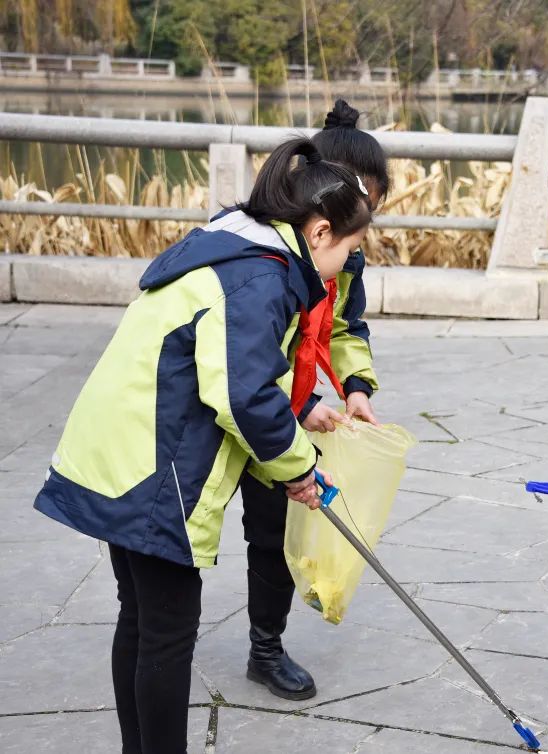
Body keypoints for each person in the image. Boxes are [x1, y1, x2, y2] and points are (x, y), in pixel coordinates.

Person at [33, 134, 371, 754]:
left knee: (140, 619)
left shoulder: (234, 248)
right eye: (349, 248)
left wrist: (294, 436)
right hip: (153, 465)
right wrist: (299, 468)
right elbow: (243, 395)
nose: (344, 267)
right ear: (319, 232)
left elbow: (234, 371)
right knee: (164, 632)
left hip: (120, 447)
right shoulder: (258, 279)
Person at [239, 98, 388, 701]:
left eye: (374, 206)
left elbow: (348, 329)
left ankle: (264, 647)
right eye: (364, 201)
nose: (368, 219)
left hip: (280, 406)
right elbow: (242, 359)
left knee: (272, 533)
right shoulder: (263, 255)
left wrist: (354, 387)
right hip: (248, 401)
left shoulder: (343, 253)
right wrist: (294, 410)